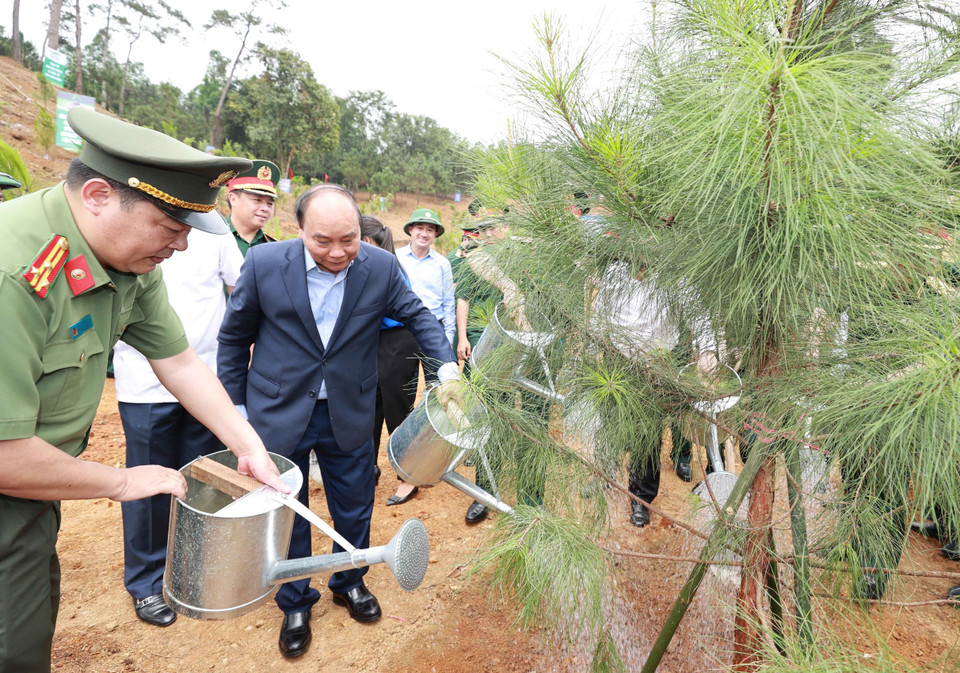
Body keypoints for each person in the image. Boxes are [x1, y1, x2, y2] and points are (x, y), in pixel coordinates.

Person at [0, 107, 287, 673]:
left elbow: (178, 360)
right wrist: (122, 481)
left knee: (28, 630)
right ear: (99, 196)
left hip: (33, 492)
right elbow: (5, 456)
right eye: (171, 228)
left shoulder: (129, 261)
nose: (180, 247)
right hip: (15, 480)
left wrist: (248, 444)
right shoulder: (15, 275)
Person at [216, 184, 460, 659]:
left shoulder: (380, 267)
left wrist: (446, 370)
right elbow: (233, 340)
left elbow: (419, 317)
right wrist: (237, 416)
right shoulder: (265, 264)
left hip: (348, 408)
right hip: (277, 410)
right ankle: (295, 601)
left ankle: (350, 581)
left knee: (354, 503)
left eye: (348, 240)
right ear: (299, 229)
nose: (336, 252)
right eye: (322, 240)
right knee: (288, 509)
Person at [112, 226, 245, 626]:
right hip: (144, 383)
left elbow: (240, 288)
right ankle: (148, 581)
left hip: (204, 380)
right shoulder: (136, 224)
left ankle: (191, 568)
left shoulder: (215, 229)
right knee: (149, 486)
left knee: (201, 481)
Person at [591, 260, 718, 527]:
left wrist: (708, 350)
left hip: (659, 362)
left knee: (651, 430)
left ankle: (644, 495)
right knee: (616, 424)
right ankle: (609, 476)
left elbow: (698, 313)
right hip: (619, 360)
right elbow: (600, 313)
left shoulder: (672, 271)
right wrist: (593, 349)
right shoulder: (615, 272)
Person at [358, 216, 422, 506]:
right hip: (373, 343)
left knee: (398, 410)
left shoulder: (388, 269)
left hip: (397, 342)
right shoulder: (366, 265)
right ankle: (368, 469)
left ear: (367, 241)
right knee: (369, 409)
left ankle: (408, 477)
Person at [396, 207, 456, 380]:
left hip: (433, 327)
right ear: (410, 229)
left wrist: (448, 336)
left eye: (430, 230)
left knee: (438, 382)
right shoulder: (396, 258)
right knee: (404, 382)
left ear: (435, 234)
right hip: (403, 327)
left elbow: (448, 302)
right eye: (419, 228)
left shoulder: (442, 264)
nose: (424, 234)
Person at [225, 159, 280, 256]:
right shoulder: (213, 237)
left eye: (270, 203)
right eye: (257, 200)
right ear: (233, 199)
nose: (265, 208)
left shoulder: (274, 248)